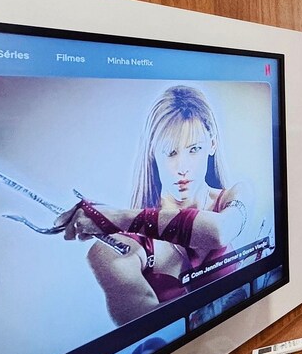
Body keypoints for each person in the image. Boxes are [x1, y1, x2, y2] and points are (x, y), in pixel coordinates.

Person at [56, 85, 260, 325]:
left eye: (194, 149)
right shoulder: (115, 249)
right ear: (153, 152)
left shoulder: (236, 195)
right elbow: (147, 326)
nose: (182, 167)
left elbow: (219, 231)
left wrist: (115, 217)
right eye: (171, 152)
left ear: (212, 144)